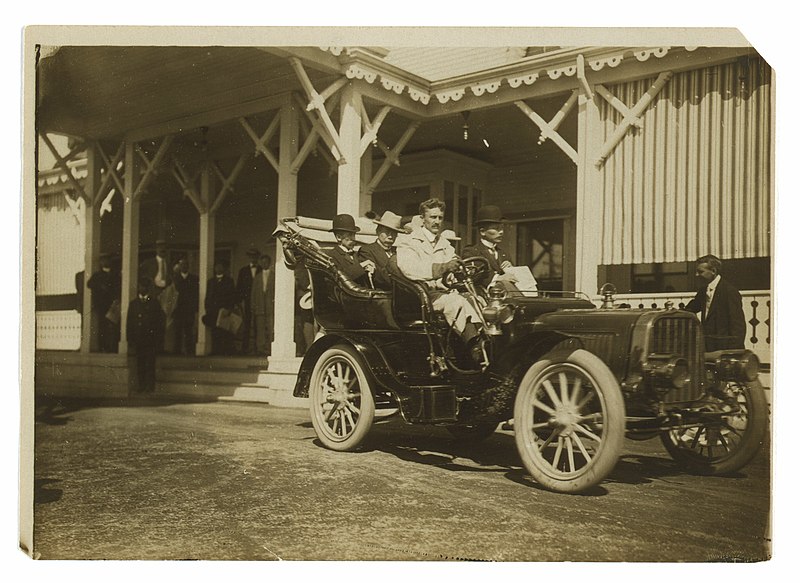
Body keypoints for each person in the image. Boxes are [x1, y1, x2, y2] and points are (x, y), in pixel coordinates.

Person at [395, 198, 484, 353]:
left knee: (478, 299)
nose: (437, 222)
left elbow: (453, 260)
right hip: (419, 297)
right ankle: (474, 348)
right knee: (455, 302)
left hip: (441, 293)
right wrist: (443, 268)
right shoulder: (408, 242)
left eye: (440, 218)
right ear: (422, 218)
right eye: (433, 217)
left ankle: (485, 340)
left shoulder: (443, 243)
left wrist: (459, 270)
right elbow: (410, 269)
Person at [684, 254, 746, 352]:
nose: (696, 275)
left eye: (700, 272)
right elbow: (691, 308)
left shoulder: (729, 291)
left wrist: (734, 352)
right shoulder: (703, 290)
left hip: (724, 348)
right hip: (708, 347)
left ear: (713, 271)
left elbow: (738, 325)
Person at [462, 205, 518, 290]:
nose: (501, 232)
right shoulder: (472, 252)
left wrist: (511, 269)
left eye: (502, 228)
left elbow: (512, 279)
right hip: (482, 297)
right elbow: (474, 276)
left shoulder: (504, 254)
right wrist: (498, 278)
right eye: (496, 229)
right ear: (482, 232)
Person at [126, 277, 165, 394]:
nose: (142, 289)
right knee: (140, 364)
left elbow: (159, 323)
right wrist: (130, 340)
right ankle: (141, 386)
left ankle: (150, 387)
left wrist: (158, 340)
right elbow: (129, 323)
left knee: (150, 364)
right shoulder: (133, 304)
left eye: (145, 287)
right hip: (138, 340)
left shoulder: (154, 303)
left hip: (150, 340)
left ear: (148, 288)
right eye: (141, 286)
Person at [357, 210, 406, 289]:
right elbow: (376, 277)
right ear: (378, 231)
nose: (390, 236)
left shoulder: (399, 251)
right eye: (387, 232)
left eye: (394, 233)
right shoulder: (367, 251)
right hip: (384, 295)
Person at [325, 214, 375, 287]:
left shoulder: (356, 254)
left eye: (354, 235)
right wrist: (361, 266)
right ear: (339, 237)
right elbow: (341, 277)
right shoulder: (332, 256)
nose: (353, 238)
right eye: (350, 235)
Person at [86, 253, 121, 353]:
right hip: (102, 304)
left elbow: (119, 287)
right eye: (103, 260)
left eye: (108, 260)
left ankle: (113, 347)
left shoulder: (115, 274)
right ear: (101, 263)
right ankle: (103, 347)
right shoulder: (97, 275)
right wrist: (100, 286)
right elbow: (89, 284)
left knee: (114, 326)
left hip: (113, 304)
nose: (106, 262)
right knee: (103, 326)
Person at [203, 262, 238, 355]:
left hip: (224, 311)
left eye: (220, 266)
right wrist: (207, 308)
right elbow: (208, 296)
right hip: (213, 311)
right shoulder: (211, 282)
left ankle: (225, 351)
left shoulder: (229, 281)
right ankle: (215, 351)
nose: (218, 268)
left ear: (224, 268)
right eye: (217, 266)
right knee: (215, 332)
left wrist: (229, 309)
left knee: (225, 331)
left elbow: (232, 296)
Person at [236, 246, 262, 354]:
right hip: (246, 302)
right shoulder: (243, 271)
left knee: (258, 324)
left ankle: (257, 348)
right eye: (251, 256)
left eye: (255, 256)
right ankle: (245, 348)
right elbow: (239, 287)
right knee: (247, 324)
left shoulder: (261, 269)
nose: (253, 258)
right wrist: (239, 301)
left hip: (259, 301)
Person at [172, 257, 199, 356]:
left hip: (189, 309)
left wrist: (195, 307)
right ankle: (177, 351)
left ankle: (189, 351)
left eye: (186, 265)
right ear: (179, 266)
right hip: (178, 309)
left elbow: (196, 294)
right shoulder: (175, 279)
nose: (184, 266)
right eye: (182, 265)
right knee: (177, 330)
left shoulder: (194, 279)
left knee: (189, 330)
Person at [250, 253, 275, 356]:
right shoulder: (258, 277)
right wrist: (253, 305)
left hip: (270, 306)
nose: (264, 264)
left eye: (266, 262)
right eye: (262, 262)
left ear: (269, 263)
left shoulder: (274, 276)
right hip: (260, 306)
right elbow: (253, 292)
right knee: (260, 328)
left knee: (270, 327)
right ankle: (260, 348)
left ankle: (270, 348)